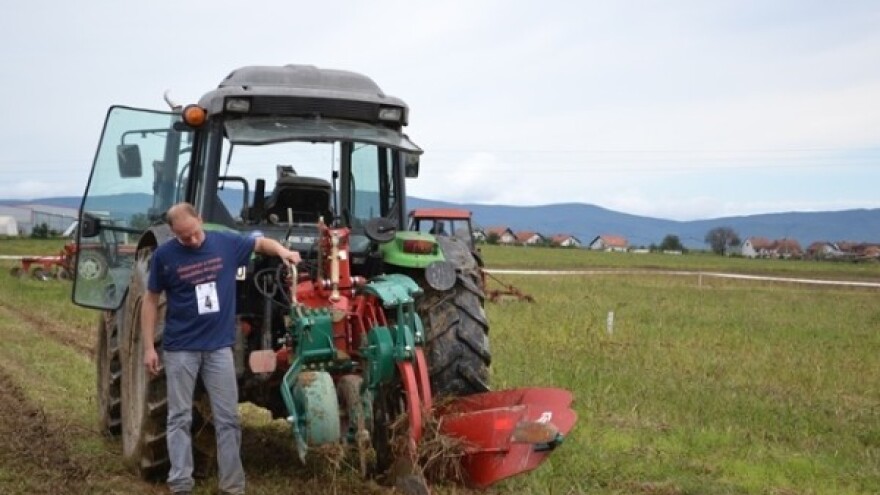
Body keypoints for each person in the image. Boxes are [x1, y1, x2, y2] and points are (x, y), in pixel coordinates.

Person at [141, 202, 301, 495]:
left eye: (193, 233)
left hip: (218, 350)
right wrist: (149, 347)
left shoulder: (225, 243)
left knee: (228, 419)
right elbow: (151, 300)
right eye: (183, 237)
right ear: (174, 233)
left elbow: (258, 242)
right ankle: (180, 483)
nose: (191, 240)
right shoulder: (164, 255)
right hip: (181, 350)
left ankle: (232, 486)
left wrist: (282, 251)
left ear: (200, 219)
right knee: (179, 417)